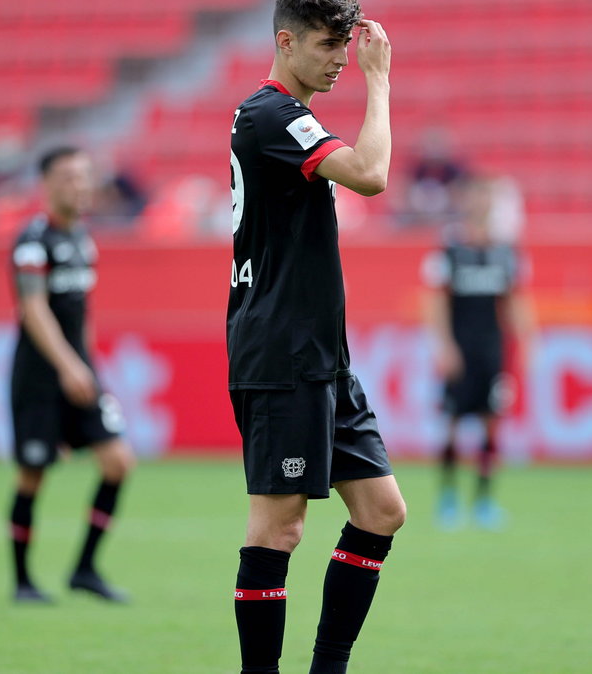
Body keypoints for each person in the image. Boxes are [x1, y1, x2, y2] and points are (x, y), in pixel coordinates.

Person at [226, 3, 405, 673]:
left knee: (382, 511)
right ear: (285, 41)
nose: (340, 57)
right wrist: (379, 82)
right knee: (280, 527)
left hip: (321, 355)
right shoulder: (271, 113)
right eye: (328, 44)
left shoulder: (290, 119)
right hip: (280, 352)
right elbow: (371, 174)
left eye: (345, 45)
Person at [6, 146, 136, 604]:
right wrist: (67, 365)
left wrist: (88, 364)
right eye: (66, 177)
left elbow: (81, 315)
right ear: (45, 184)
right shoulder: (31, 241)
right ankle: (22, 581)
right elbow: (33, 309)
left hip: (80, 371)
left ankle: (84, 569)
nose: (77, 186)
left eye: (83, 177)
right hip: (40, 377)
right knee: (33, 474)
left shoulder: (83, 240)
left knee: (118, 462)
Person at [421, 176, 535, 530]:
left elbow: (515, 301)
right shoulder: (451, 252)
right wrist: (444, 346)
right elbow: (436, 302)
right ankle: (448, 498)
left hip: (492, 349)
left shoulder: (506, 253)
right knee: (453, 422)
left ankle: (484, 500)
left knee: (491, 421)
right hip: (461, 348)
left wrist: (529, 341)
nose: (482, 207)